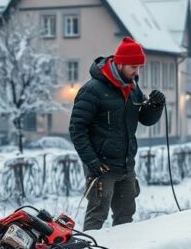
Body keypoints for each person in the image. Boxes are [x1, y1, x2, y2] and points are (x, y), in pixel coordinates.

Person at [69, 37, 165, 230]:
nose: (137, 73)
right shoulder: (92, 90)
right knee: (97, 217)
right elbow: (77, 129)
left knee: (125, 216)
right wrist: (92, 162)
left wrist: (156, 106)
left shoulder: (132, 88)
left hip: (126, 165)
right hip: (102, 168)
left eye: (140, 68)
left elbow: (145, 119)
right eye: (133, 67)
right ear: (119, 63)